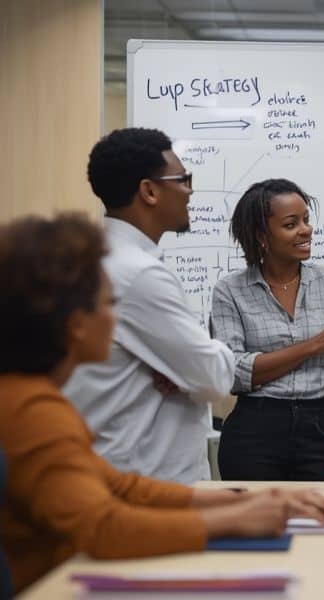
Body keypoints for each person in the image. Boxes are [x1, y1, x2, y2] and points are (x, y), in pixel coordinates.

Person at [0, 215, 324, 594]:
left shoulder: (33, 398)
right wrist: (233, 520)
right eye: (108, 303)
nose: (116, 318)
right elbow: (104, 529)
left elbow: (119, 487)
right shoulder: (32, 412)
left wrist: (242, 501)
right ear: (77, 324)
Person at [64, 128, 235, 483]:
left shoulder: (95, 258)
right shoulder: (137, 274)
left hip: (118, 473)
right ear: (149, 191)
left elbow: (194, 372)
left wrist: (179, 366)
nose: (190, 190)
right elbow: (213, 377)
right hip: (145, 483)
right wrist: (198, 360)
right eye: (183, 179)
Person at [211, 178, 324, 481]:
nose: (305, 230)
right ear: (262, 236)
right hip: (254, 432)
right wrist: (315, 345)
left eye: (306, 220)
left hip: (322, 427)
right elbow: (234, 372)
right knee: (256, 526)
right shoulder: (230, 290)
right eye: (291, 224)